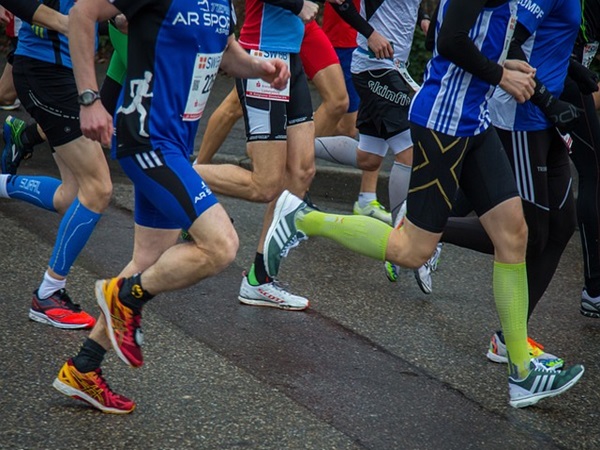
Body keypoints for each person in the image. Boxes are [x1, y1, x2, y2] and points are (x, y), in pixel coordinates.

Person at [261, 0, 585, 408]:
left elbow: (452, 34)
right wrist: (500, 74)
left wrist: (505, 66)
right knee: (412, 250)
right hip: (444, 123)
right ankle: (303, 219)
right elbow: (449, 42)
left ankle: (521, 369)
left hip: (475, 119)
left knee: (514, 234)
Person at [52, 0, 290, 414]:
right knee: (221, 245)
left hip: (176, 144)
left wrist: (260, 68)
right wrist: (89, 99)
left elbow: (227, 53)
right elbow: (81, 13)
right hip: (147, 138)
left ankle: (83, 369)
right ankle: (125, 295)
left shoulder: (220, 3)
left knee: (150, 259)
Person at [440, 0, 584, 368]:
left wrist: (570, 72)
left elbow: (549, 40)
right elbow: (510, 42)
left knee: (563, 224)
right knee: (529, 234)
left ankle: (508, 338)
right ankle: (426, 227)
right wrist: (546, 99)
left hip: (546, 119)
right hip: (523, 116)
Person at [193, 0, 321, 312]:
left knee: (302, 172)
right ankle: (172, 170)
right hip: (261, 52)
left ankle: (259, 279)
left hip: (291, 53)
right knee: (265, 185)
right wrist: (297, 4)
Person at [0, 0, 106, 329]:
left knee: (71, 197)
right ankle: (48, 293)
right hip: (47, 73)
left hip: (71, 72)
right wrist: (64, 22)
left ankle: (2, 183)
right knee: (99, 188)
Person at [560, 0, 600, 318]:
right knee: (594, 171)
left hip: (567, 75)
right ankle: (594, 289)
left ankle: (427, 230)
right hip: (560, 79)